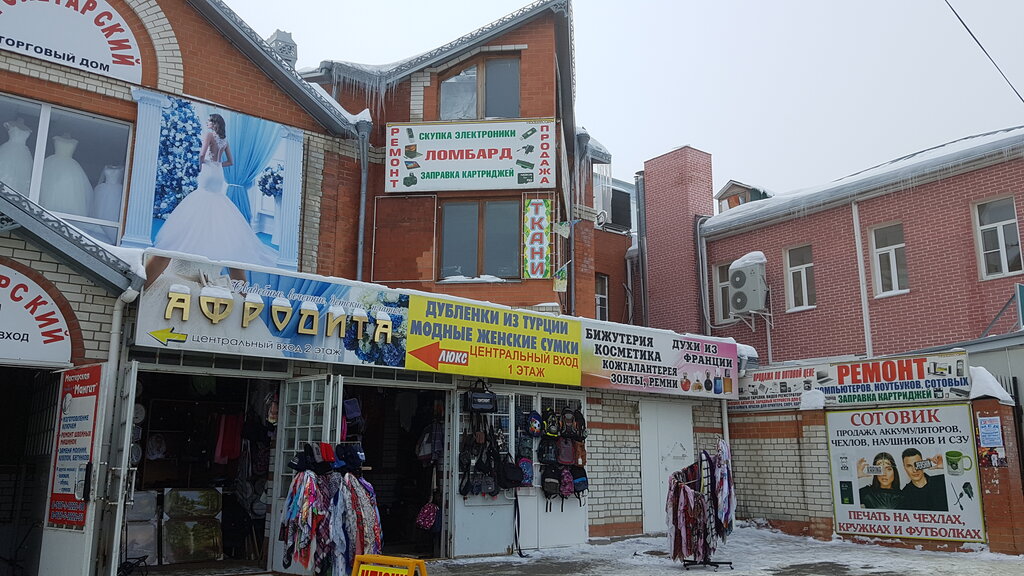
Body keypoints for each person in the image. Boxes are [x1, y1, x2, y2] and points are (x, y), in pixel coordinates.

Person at [145, 113, 275, 288]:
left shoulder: (209, 135)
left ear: (214, 123)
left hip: (208, 171)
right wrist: (218, 164)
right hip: (218, 174)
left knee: (201, 198)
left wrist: (203, 164)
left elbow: (201, 154)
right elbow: (230, 161)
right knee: (216, 201)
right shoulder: (224, 140)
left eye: (209, 121)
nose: (207, 123)